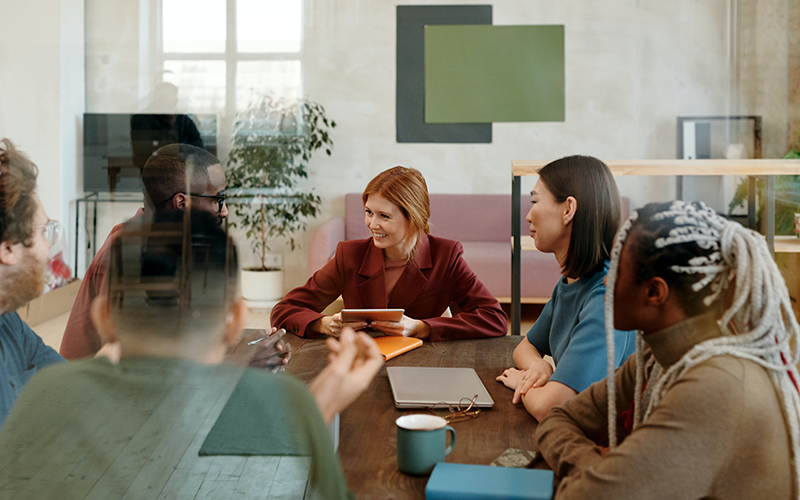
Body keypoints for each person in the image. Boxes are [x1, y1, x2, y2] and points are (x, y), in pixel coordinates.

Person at [0, 210, 383, 499]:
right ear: (236, 320)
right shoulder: (282, 403)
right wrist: (317, 409)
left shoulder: (45, 392)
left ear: (104, 317)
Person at [535, 200, 800, 498]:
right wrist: (595, 468)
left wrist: (595, 477)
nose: (606, 280)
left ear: (654, 292)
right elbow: (557, 420)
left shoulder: (718, 385)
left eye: (617, 269)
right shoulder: (654, 358)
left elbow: (587, 496)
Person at [271, 166, 508, 341]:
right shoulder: (349, 256)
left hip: (424, 365)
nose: (372, 224)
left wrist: (421, 327)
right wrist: (324, 324)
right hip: (361, 365)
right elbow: (283, 310)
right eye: (368, 212)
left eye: (384, 216)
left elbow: (495, 318)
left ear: (414, 218)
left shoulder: (445, 257)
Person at [496, 155, 636, 420]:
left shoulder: (604, 297)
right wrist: (539, 367)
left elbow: (549, 407)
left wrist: (523, 384)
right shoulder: (571, 282)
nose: (528, 216)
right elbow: (525, 347)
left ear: (568, 209)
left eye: (535, 201)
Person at [60, 143, 229, 359]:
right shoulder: (126, 256)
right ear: (182, 203)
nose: (224, 211)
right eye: (218, 200)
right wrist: (236, 360)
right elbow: (130, 362)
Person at [0, 139, 65, 429]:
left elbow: (65, 385)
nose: (49, 246)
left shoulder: (8, 320)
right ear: (7, 249)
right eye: (43, 232)